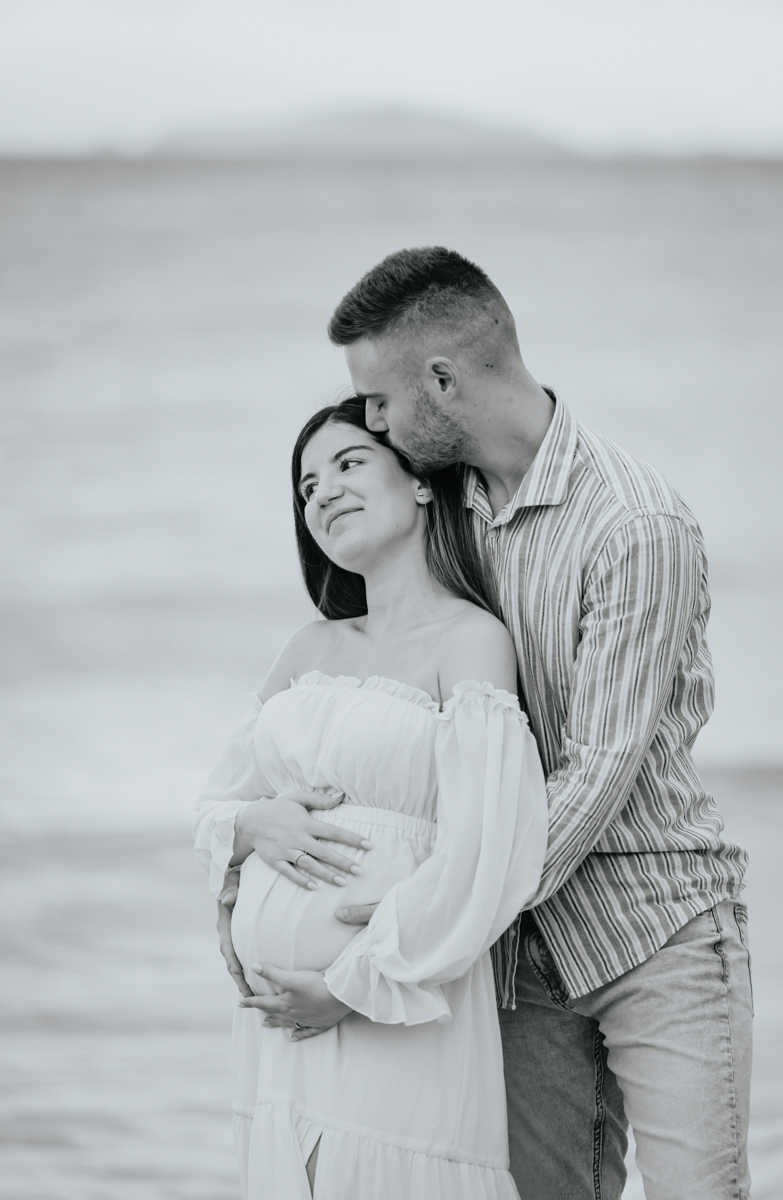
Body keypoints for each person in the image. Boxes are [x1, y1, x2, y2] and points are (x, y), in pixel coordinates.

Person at [217, 247, 752, 1200]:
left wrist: (422, 923)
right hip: (512, 964)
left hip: (650, 928)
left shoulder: (634, 526)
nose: (370, 422)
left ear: (442, 380)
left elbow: (599, 770)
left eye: (377, 401)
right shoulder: (443, 504)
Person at [194, 395, 549, 1199]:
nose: (323, 493)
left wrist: (354, 985)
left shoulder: (471, 640)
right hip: (280, 1033)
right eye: (307, 486)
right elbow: (218, 807)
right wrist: (253, 827)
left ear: (422, 484)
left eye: (348, 465)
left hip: (398, 1011)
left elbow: (487, 851)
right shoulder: (307, 647)